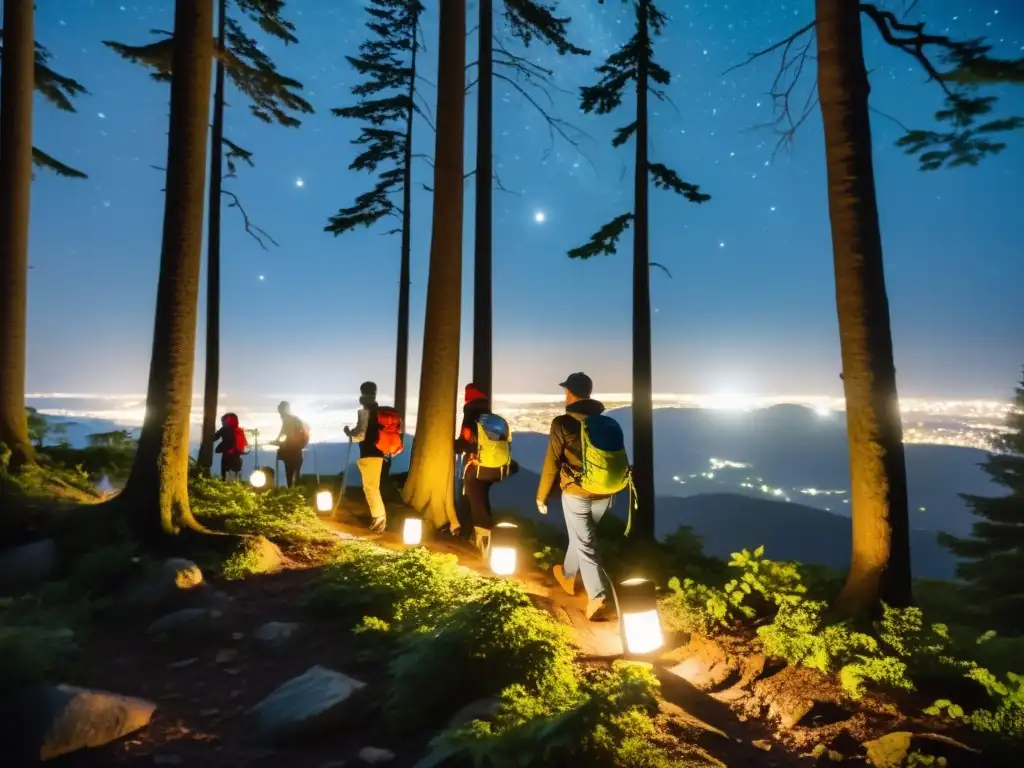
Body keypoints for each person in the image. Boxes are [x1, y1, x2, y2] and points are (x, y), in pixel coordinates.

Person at [536, 372, 616, 622]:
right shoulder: (606, 423)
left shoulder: (562, 423)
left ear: (570, 392)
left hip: (576, 492)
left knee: (586, 543)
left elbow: (552, 461)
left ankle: (598, 596)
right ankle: (568, 576)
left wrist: (542, 496)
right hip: (606, 492)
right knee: (583, 537)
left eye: (566, 391)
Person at [455, 383, 517, 555]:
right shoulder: (490, 417)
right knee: (481, 501)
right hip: (496, 468)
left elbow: (464, 442)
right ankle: (467, 534)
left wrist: (451, 445)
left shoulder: (470, 416)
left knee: (477, 504)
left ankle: (483, 545)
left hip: (477, 468)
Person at [345, 381, 403, 533]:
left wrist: (349, 433)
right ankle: (378, 517)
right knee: (373, 487)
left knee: (371, 488)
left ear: (362, 392)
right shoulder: (379, 412)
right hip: (382, 454)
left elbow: (360, 435)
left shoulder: (365, 411)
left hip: (370, 453)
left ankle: (379, 519)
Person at [271, 400, 308, 487]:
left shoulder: (287, 419)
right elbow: (284, 433)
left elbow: (286, 434)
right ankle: (296, 493)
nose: (279, 413)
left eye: (280, 410)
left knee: (290, 474)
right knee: (295, 473)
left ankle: (292, 494)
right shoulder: (293, 418)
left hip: (291, 450)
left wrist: (277, 442)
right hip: (297, 450)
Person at [214, 412, 247, 481]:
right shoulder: (237, 431)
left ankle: (226, 486)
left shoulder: (225, 430)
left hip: (228, 456)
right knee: (233, 476)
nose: (222, 423)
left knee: (226, 476)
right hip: (236, 457)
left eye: (223, 421)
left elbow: (214, 437)